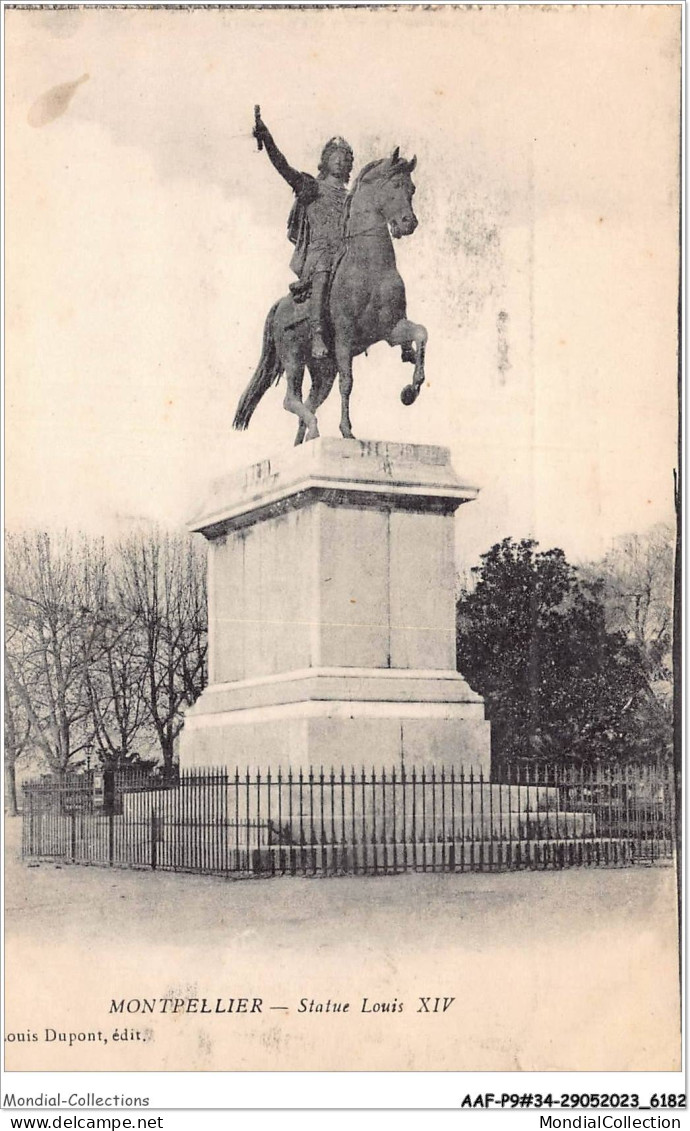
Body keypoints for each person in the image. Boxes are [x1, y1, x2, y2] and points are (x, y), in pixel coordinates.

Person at [253, 111, 354, 359]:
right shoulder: (312, 187)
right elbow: (283, 167)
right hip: (319, 253)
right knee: (323, 271)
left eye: (344, 158)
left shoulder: (352, 197)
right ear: (326, 161)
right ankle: (318, 333)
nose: (339, 161)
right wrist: (267, 139)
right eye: (334, 156)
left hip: (344, 253)